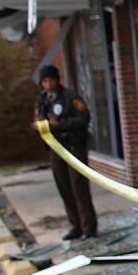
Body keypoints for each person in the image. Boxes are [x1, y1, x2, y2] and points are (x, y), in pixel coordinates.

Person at [34, 65, 97, 240]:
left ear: (57, 79)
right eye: (45, 81)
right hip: (56, 147)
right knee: (63, 186)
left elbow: (84, 118)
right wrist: (40, 125)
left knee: (79, 186)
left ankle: (89, 225)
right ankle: (75, 224)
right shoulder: (42, 99)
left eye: (51, 80)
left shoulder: (70, 97)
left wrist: (60, 124)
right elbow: (40, 117)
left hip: (74, 145)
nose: (48, 84)